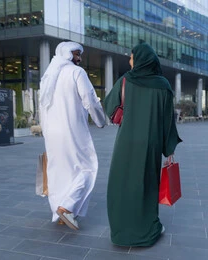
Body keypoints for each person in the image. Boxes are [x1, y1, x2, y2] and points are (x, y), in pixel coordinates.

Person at [104, 43, 182, 247]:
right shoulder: (164, 86)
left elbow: (109, 106)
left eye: (132, 58)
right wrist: (169, 148)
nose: (130, 61)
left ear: (140, 60)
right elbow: (168, 121)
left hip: (126, 144)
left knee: (121, 185)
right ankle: (148, 229)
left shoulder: (126, 81)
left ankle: (121, 232)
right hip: (151, 145)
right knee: (147, 186)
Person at [38, 41, 106, 230]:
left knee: (60, 172)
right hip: (72, 130)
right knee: (87, 167)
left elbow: (41, 107)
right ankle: (66, 208)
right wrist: (101, 121)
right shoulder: (76, 73)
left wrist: (45, 131)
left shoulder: (47, 76)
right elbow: (90, 99)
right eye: (77, 54)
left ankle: (61, 213)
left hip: (52, 133)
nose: (80, 58)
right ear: (67, 54)